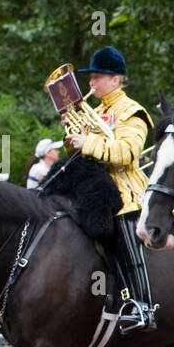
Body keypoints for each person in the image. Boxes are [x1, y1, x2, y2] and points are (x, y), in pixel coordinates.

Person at [65, 46, 156, 331]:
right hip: (92, 192)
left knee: (124, 242)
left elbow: (127, 152)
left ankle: (141, 305)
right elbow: (83, 150)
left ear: (116, 79)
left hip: (124, 194)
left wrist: (87, 143)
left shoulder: (133, 112)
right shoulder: (95, 110)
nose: (90, 84)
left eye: (96, 78)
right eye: (90, 78)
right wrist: (72, 137)